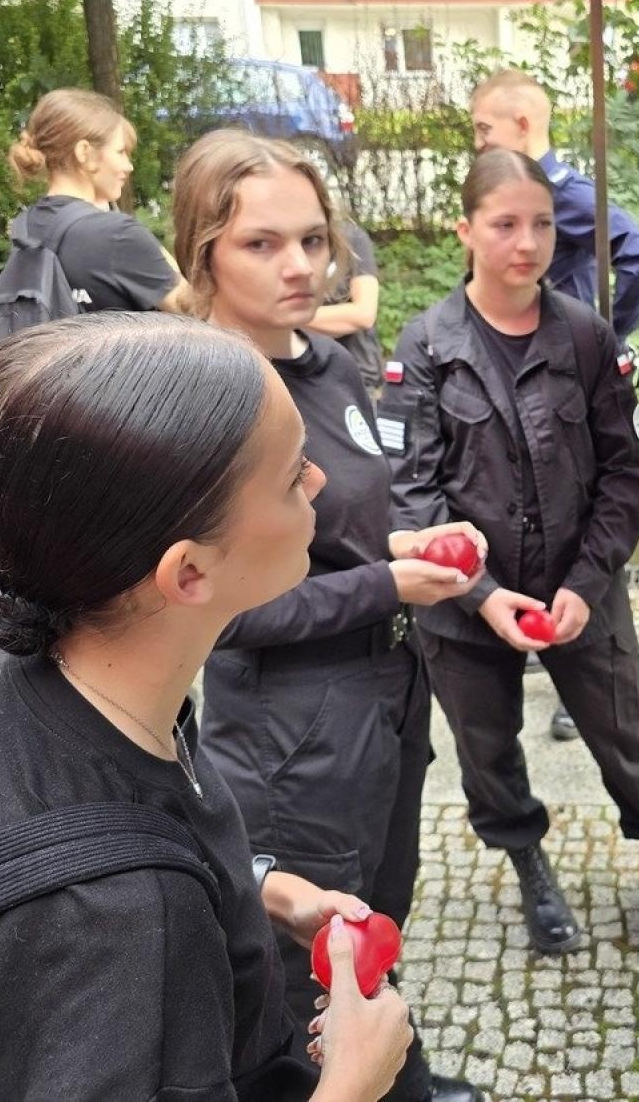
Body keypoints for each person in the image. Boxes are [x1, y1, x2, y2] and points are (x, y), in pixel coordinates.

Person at [0, 309, 412, 1100]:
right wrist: (352, 1082)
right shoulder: (124, 929)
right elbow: (97, 907)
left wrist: (247, 885)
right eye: (291, 476)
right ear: (188, 575)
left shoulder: (18, 671)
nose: (317, 481)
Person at [173, 130, 484, 1102]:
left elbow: (354, 525)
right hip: (287, 731)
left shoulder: (331, 360)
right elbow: (218, 611)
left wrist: (439, 564)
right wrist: (387, 588)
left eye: (312, 238)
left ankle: (393, 1069)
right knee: (297, 949)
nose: (301, 265)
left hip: (386, 699)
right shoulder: (201, 394)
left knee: (377, 908)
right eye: (261, 244)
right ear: (201, 251)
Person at [381, 147, 639, 957]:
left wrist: (588, 583)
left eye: (540, 224)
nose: (525, 243)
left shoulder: (588, 338)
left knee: (630, 735)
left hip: (578, 588)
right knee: (486, 749)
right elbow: (414, 491)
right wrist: (482, 593)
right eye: (504, 225)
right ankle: (528, 861)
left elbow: (628, 469)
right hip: (467, 607)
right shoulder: (424, 346)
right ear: (466, 230)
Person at [470, 67, 639, 742]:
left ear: (523, 127)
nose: (478, 141)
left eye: (484, 128)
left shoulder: (564, 193)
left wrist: (607, 335)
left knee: (583, 520)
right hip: (515, 381)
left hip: (564, 387)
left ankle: (583, 673)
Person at [7, 87, 184, 312]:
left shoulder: (26, 226)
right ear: (85, 153)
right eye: (120, 152)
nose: (128, 166)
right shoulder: (117, 234)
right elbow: (195, 312)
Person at [303, 214, 385, 395]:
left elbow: (364, 314)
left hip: (355, 377)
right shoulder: (280, 248)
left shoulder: (351, 239)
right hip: (299, 377)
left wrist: (288, 317)